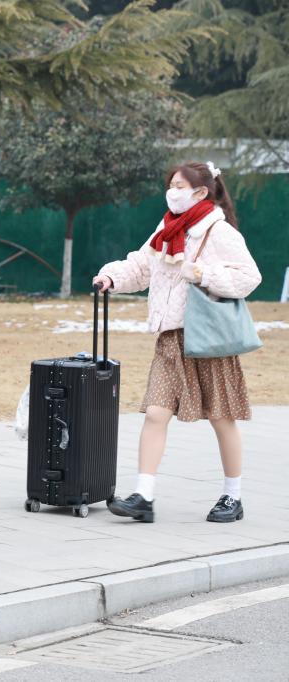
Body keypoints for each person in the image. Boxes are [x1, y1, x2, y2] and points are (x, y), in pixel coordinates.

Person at [94, 161, 261, 524]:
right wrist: (112, 277)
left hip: (209, 339)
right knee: (156, 413)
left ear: (201, 192)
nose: (172, 192)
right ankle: (144, 496)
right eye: (171, 185)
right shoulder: (167, 227)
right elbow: (142, 266)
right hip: (171, 338)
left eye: (180, 186)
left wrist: (202, 273)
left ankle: (233, 496)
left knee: (221, 418)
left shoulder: (218, 231)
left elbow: (250, 277)